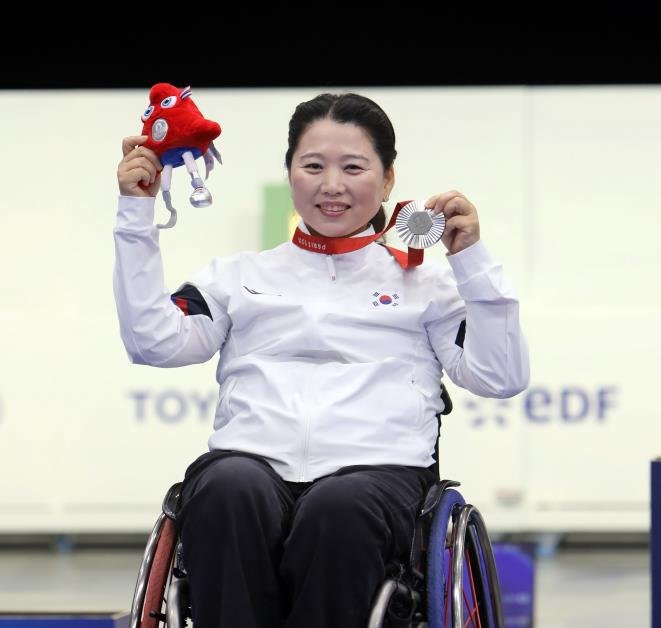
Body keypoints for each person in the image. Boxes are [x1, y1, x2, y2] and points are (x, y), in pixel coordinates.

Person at [114, 92, 530, 628]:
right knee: (225, 489)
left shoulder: (429, 284)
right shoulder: (238, 276)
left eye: (353, 167)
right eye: (313, 166)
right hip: (250, 465)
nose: (332, 185)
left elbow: (500, 376)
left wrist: (471, 260)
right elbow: (153, 342)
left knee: (339, 509)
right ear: (291, 174)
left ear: (386, 181)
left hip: (376, 477)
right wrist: (135, 213)